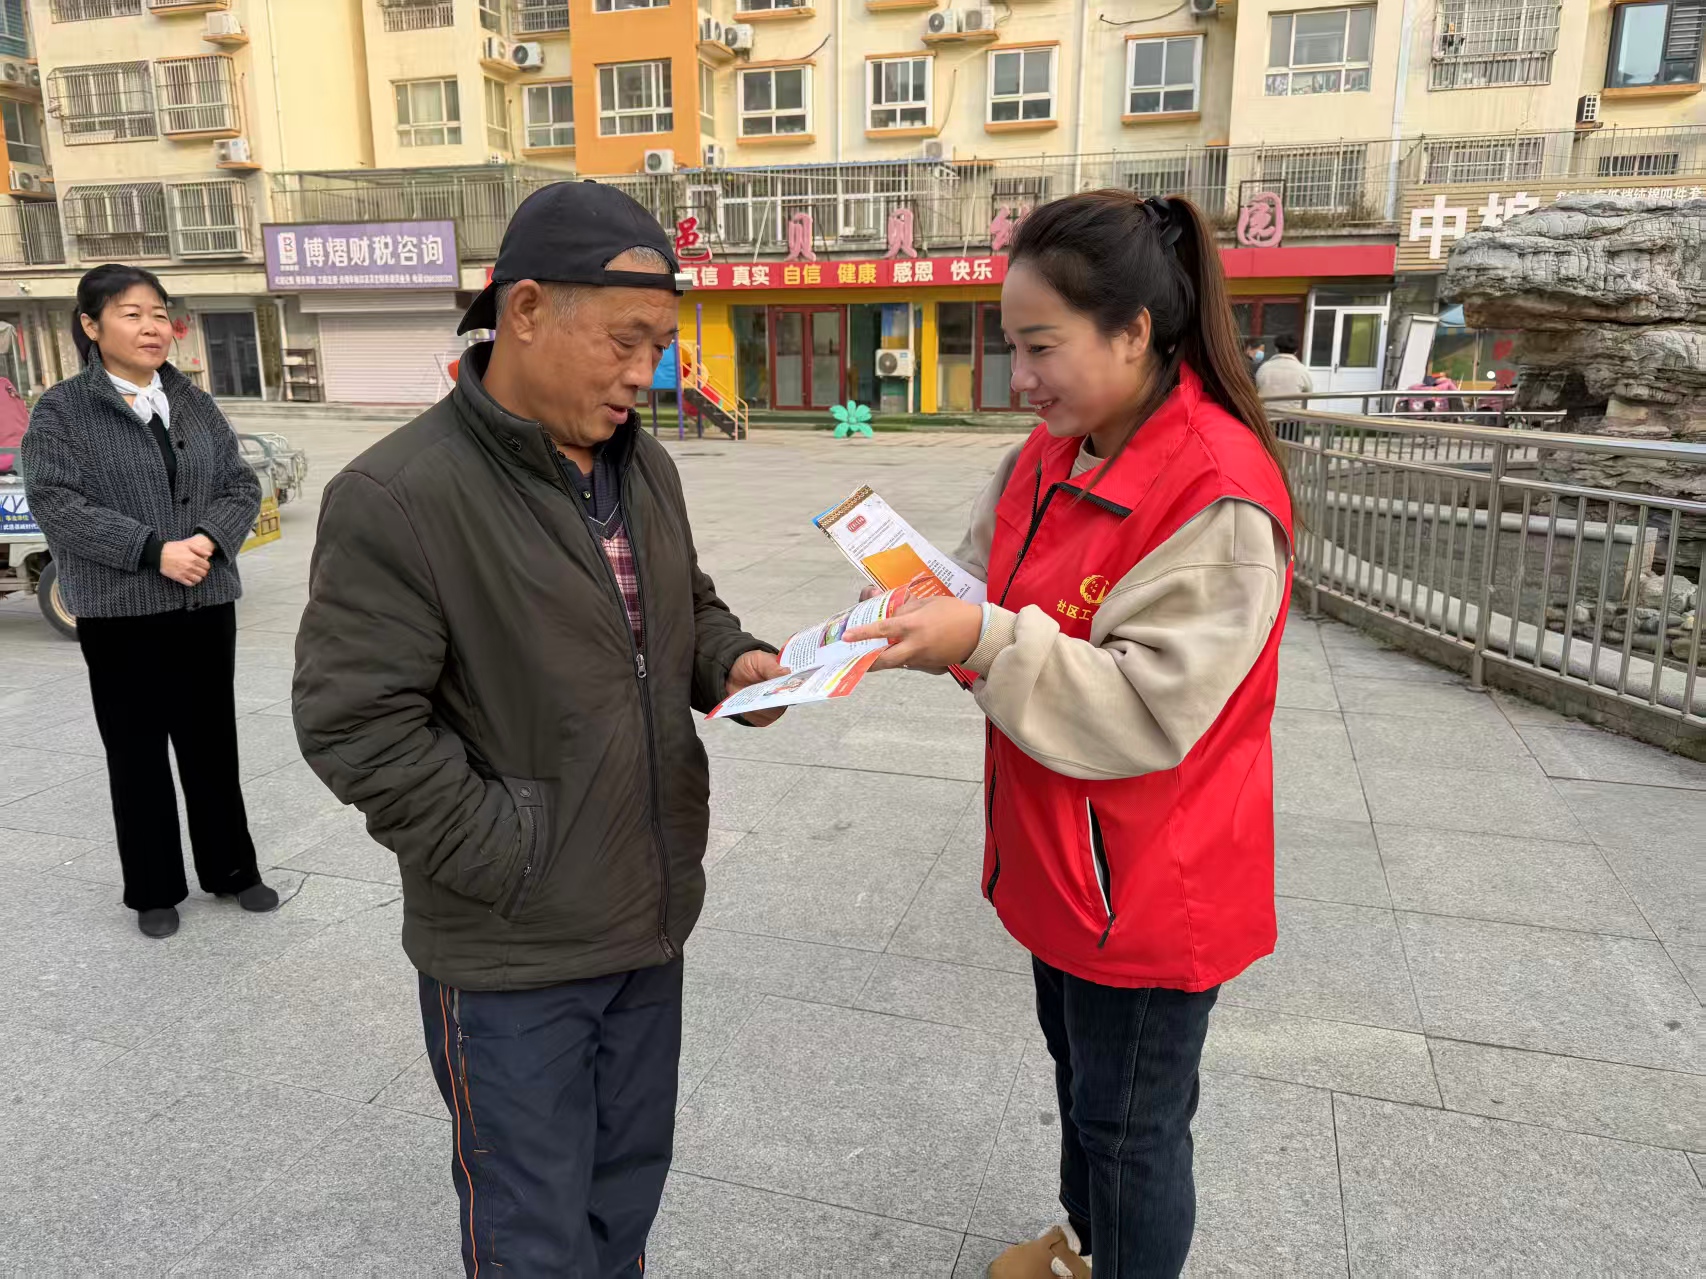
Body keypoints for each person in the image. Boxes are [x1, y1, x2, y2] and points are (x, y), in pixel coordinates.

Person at [292, 181, 785, 1277]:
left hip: (647, 915)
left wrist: (733, 661)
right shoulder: (398, 493)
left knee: (624, 1194)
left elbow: (682, 604)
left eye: (660, 346)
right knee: (532, 1229)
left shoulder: (642, 465)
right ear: (523, 311)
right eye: (625, 340)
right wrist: (512, 854)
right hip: (512, 951)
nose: (646, 372)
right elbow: (354, 722)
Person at [846, 192, 1293, 1279]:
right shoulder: (1050, 455)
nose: (1021, 377)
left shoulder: (1216, 494)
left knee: (1133, 1127)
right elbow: (980, 583)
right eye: (1012, 345)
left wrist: (981, 638)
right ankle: (1084, 1249)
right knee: (1083, 1086)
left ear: (1134, 331)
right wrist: (916, 608)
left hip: (1151, 883)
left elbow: (1146, 704)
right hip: (1065, 859)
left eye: (1041, 346)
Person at [20, 265, 272, 940]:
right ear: (91, 325)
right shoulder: (62, 411)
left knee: (212, 743)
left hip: (204, 602)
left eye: (159, 313)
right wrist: (153, 550)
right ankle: (154, 888)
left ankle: (232, 868)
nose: (152, 327)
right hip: (120, 612)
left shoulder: (191, 400)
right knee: (136, 753)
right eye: (131, 314)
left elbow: (239, 485)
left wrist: (208, 541)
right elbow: (56, 502)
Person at [1253, 332, 1312, 407]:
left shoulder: (1263, 368)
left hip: (1267, 413)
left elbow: (1256, 389)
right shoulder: (1302, 370)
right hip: (1293, 413)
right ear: (1296, 350)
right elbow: (1308, 393)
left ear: (1276, 349)